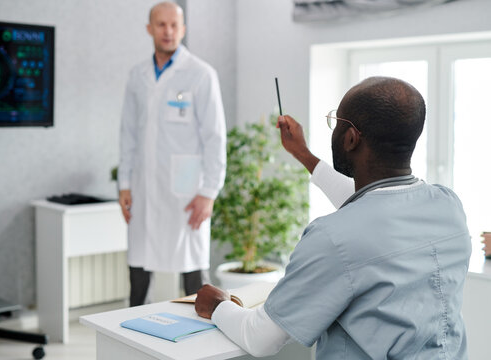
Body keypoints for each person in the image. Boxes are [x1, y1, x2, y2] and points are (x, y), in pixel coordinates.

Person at [195, 76, 471, 359]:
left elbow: (260, 338)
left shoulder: (333, 236)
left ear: (351, 138)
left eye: (336, 122)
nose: (334, 129)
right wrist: (303, 154)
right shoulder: (447, 205)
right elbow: (374, 209)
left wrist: (218, 304)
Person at [118, 1, 226, 307]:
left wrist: (209, 191)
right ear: (149, 29)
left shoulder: (201, 74)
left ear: (183, 30)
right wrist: (124, 184)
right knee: (139, 267)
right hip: (144, 186)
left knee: (192, 270)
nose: (168, 31)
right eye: (161, 25)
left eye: (174, 25)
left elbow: (215, 137)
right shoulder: (137, 76)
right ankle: (132, 334)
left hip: (187, 189)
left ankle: (203, 341)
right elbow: (127, 133)